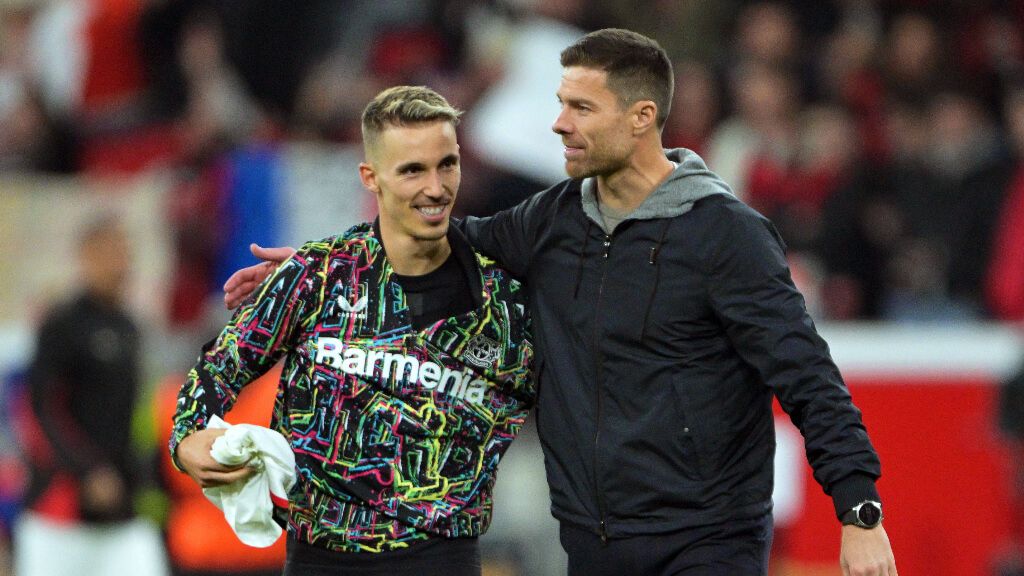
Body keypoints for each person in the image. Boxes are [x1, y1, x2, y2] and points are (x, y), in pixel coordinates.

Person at [223, 29, 897, 576]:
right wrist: (319, 268)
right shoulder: (553, 218)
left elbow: (808, 378)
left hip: (705, 541)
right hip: (594, 543)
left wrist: (859, 512)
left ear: (641, 119)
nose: (558, 124)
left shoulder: (727, 236)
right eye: (560, 103)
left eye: (580, 108)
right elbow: (445, 249)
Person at [171, 86, 534, 576]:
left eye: (446, 164)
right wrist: (186, 436)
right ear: (371, 178)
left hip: (441, 560)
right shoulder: (319, 275)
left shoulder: (506, 300)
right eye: (412, 170)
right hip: (319, 559)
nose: (435, 187)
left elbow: (572, 406)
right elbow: (220, 367)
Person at [15, 219, 168, 576]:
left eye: (126, 255)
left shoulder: (130, 327)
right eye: (111, 255)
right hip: (60, 513)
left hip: (124, 508)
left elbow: (138, 414)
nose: (121, 266)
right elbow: (39, 409)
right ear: (85, 257)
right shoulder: (62, 323)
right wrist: (87, 472)